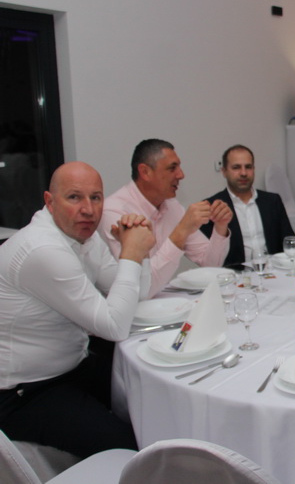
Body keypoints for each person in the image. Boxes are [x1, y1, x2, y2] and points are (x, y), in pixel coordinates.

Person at [0, 162, 155, 458]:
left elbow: (139, 294)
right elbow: (114, 327)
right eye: (74, 197)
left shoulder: (84, 236)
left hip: (74, 364)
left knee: (153, 397)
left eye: (96, 198)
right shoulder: (42, 249)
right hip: (26, 391)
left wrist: (140, 251)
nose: (89, 210)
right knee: (127, 446)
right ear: (50, 202)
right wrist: (131, 254)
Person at [100, 139, 232, 297]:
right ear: (145, 172)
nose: (181, 175)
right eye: (172, 168)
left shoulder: (172, 206)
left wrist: (220, 227)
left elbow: (211, 264)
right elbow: (141, 290)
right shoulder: (115, 212)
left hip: (165, 303)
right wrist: (181, 231)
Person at [200, 145, 294, 268]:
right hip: (234, 275)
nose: (243, 173)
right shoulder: (213, 207)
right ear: (224, 171)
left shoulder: (272, 201)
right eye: (236, 167)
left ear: (253, 169)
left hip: (273, 272)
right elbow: (210, 259)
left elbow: (290, 242)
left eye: (248, 167)